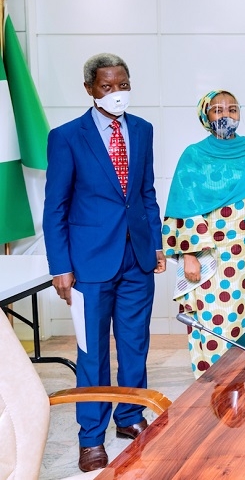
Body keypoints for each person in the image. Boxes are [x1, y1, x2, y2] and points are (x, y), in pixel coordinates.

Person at [42, 53, 166, 473]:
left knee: (135, 346)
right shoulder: (66, 137)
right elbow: (54, 206)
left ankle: (129, 418)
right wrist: (60, 265)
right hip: (89, 263)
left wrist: (157, 246)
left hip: (136, 260)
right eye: (107, 86)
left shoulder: (143, 130)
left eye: (122, 84)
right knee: (92, 352)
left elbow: (145, 193)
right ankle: (90, 437)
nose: (116, 93)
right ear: (90, 89)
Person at [162, 90, 245, 377]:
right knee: (213, 328)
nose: (226, 116)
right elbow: (185, 207)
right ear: (205, 116)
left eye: (232, 109)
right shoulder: (193, 156)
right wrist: (190, 256)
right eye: (218, 110)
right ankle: (214, 395)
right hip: (211, 260)